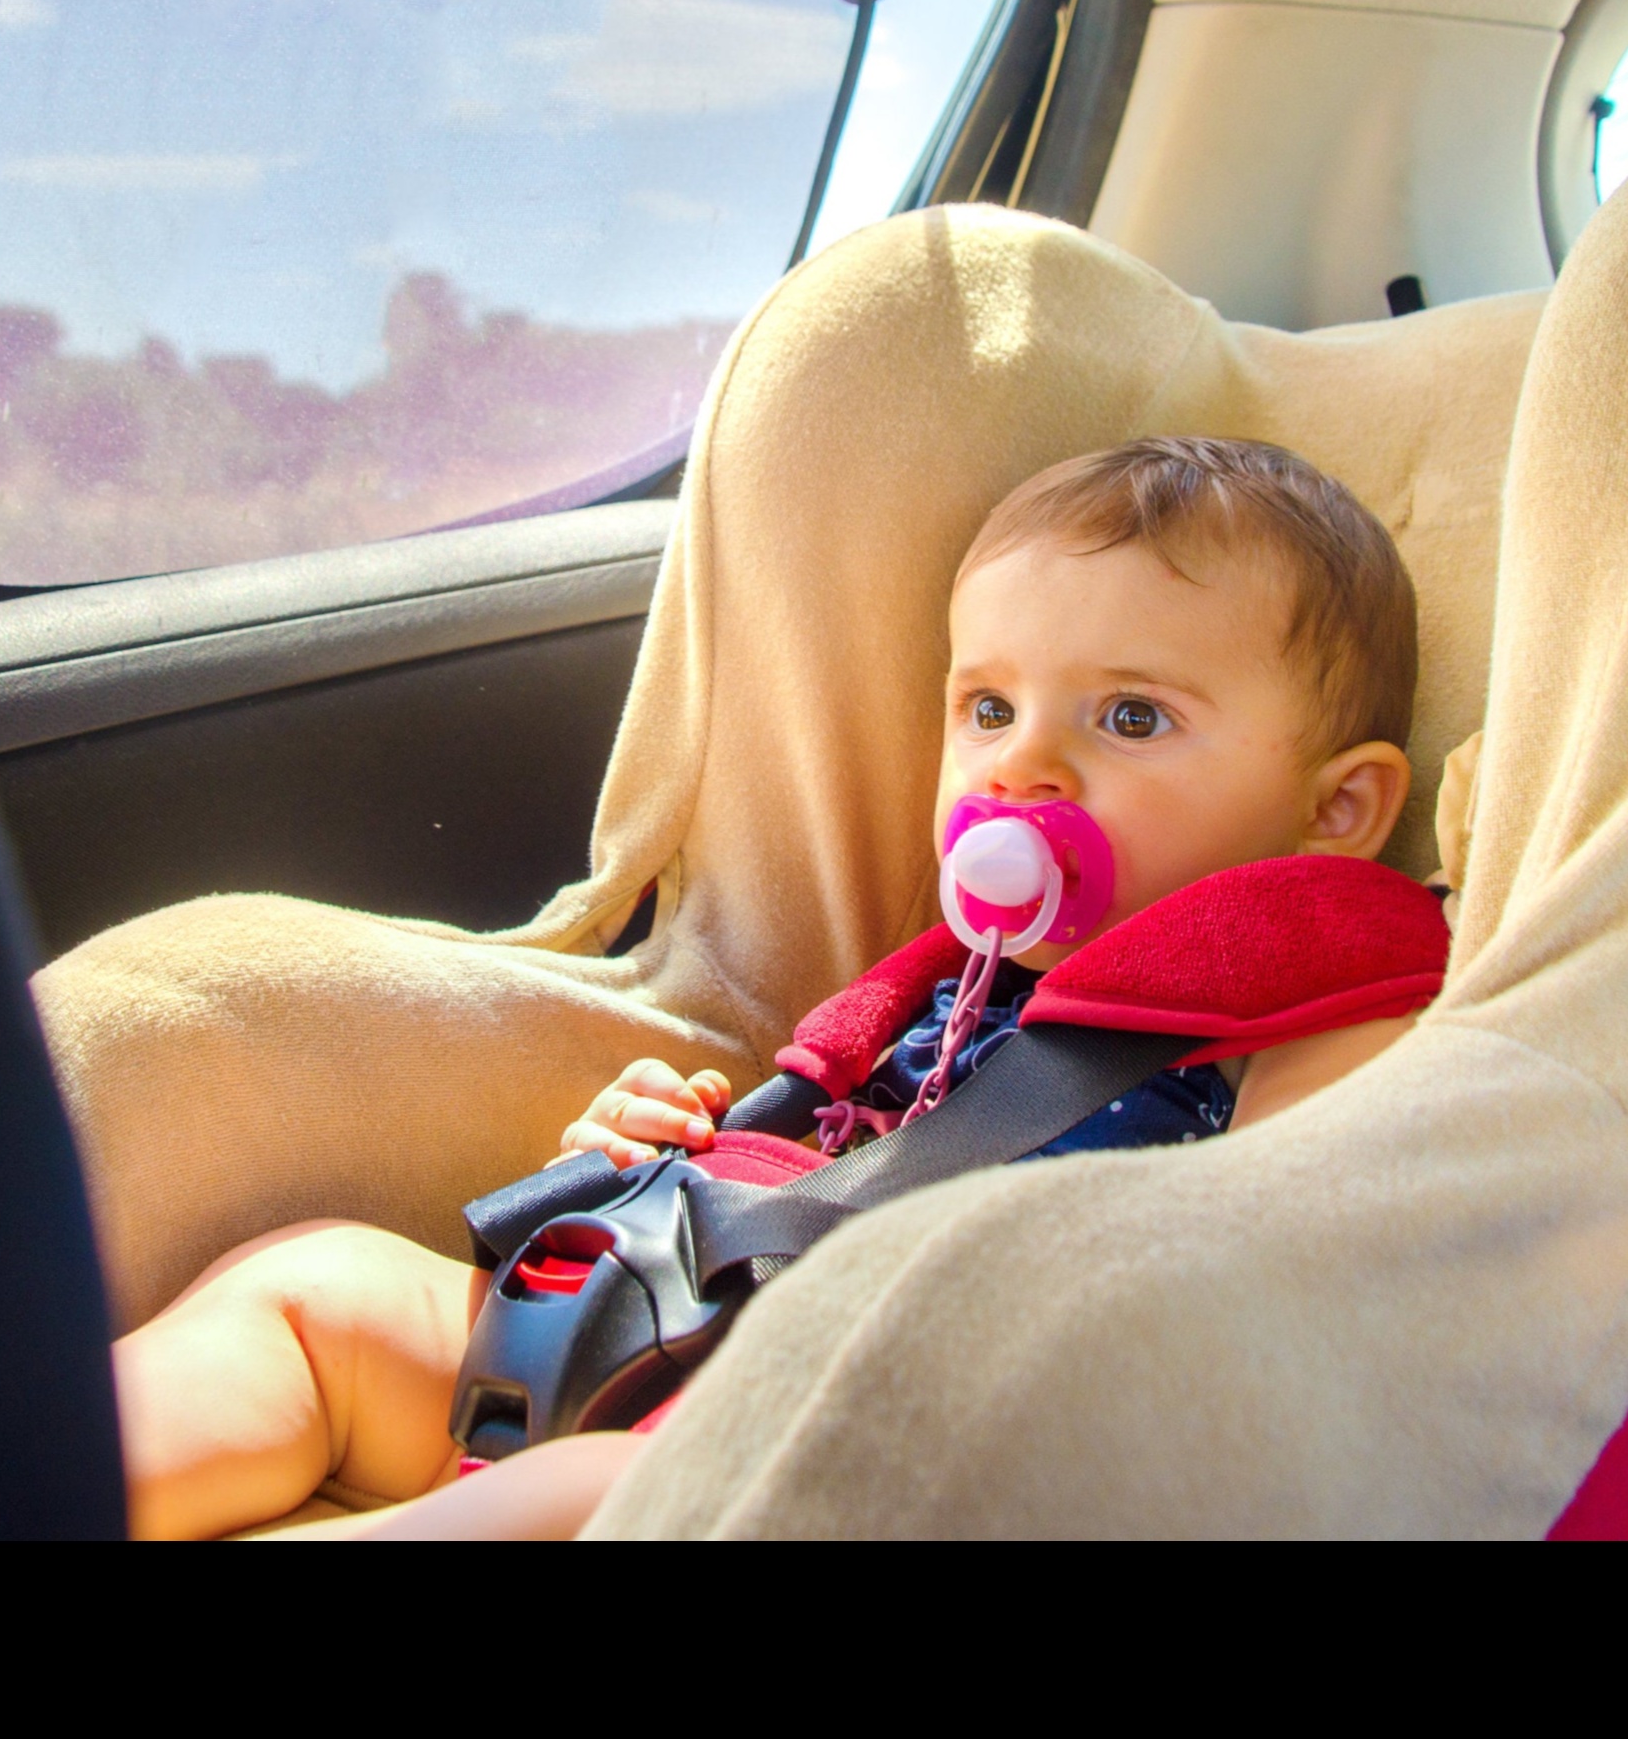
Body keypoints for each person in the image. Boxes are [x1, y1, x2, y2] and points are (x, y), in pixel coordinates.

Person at [113, 436, 1424, 1538]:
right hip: (668, 1324)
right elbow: (831, 1154)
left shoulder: (1322, 1013)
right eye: (986, 708)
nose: (1021, 770)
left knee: (616, 1488)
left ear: (1337, 808)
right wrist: (677, 1143)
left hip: (849, 1448)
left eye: (1129, 716)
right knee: (311, 1285)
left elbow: (1282, 1267)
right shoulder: (950, 994)